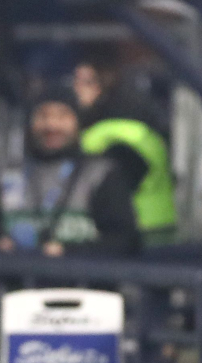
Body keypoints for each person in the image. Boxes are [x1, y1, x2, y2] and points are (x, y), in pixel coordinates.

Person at [0, 88, 140, 258]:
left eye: (62, 115)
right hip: (14, 284)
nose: (51, 125)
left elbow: (123, 240)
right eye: (43, 115)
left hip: (82, 286)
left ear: (78, 122)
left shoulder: (101, 174)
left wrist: (69, 253)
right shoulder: (2, 174)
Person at [72, 50, 177, 244]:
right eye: (75, 81)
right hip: (154, 230)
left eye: (86, 82)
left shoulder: (113, 132)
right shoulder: (131, 124)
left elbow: (118, 184)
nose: (76, 89)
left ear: (105, 84)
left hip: (137, 236)